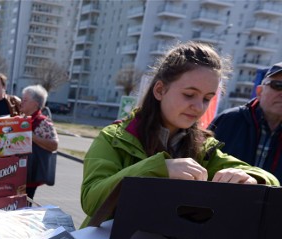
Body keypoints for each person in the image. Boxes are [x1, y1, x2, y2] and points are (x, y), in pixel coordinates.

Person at [80, 41, 279, 228]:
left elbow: (271, 180)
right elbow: (91, 201)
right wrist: (158, 168)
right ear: (160, 90)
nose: (198, 106)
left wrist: (250, 178)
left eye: (207, 98)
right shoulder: (114, 137)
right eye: (189, 95)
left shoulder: (204, 148)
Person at [209, 61, 282, 182]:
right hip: (222, 198)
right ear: (260, 92)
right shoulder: (229, 120)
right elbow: (202, 162)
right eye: (278, 86)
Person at [20, 85, 59, 199]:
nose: (21, 102)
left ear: (35, 104)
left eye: (25, 100)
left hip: (30, 176)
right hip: (16, 173)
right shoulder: (21, 118)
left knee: (24, 207)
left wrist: (33, 137)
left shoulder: (43, 122)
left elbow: (54, 145)